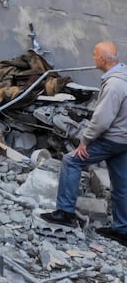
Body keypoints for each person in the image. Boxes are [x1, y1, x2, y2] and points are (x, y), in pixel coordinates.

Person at [41, 42, 127, 243]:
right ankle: (122, 230)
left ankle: (65, 213)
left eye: (95, 55)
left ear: (104, 60)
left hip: (112, 138)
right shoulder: (123, 76)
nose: (93, 58)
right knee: (122, 184)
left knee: (72, 161)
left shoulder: (114, 85)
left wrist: (85, 141)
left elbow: (102, 120)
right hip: (124, 139)